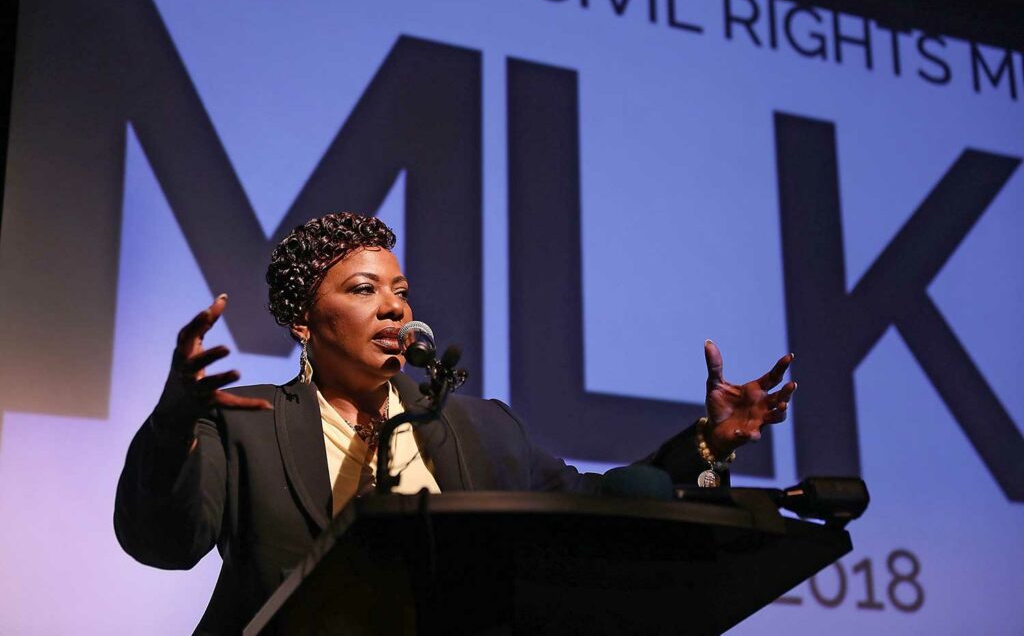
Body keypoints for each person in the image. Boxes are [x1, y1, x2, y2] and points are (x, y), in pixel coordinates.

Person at [115, 211, 796, 635]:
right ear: (302, 321)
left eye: (400, 291)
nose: (392, 308)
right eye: (362, 290)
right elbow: (164, 542)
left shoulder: (476, 428)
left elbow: (598, 503)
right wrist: (174, 424)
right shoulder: (248, 421)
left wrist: (705, 442)